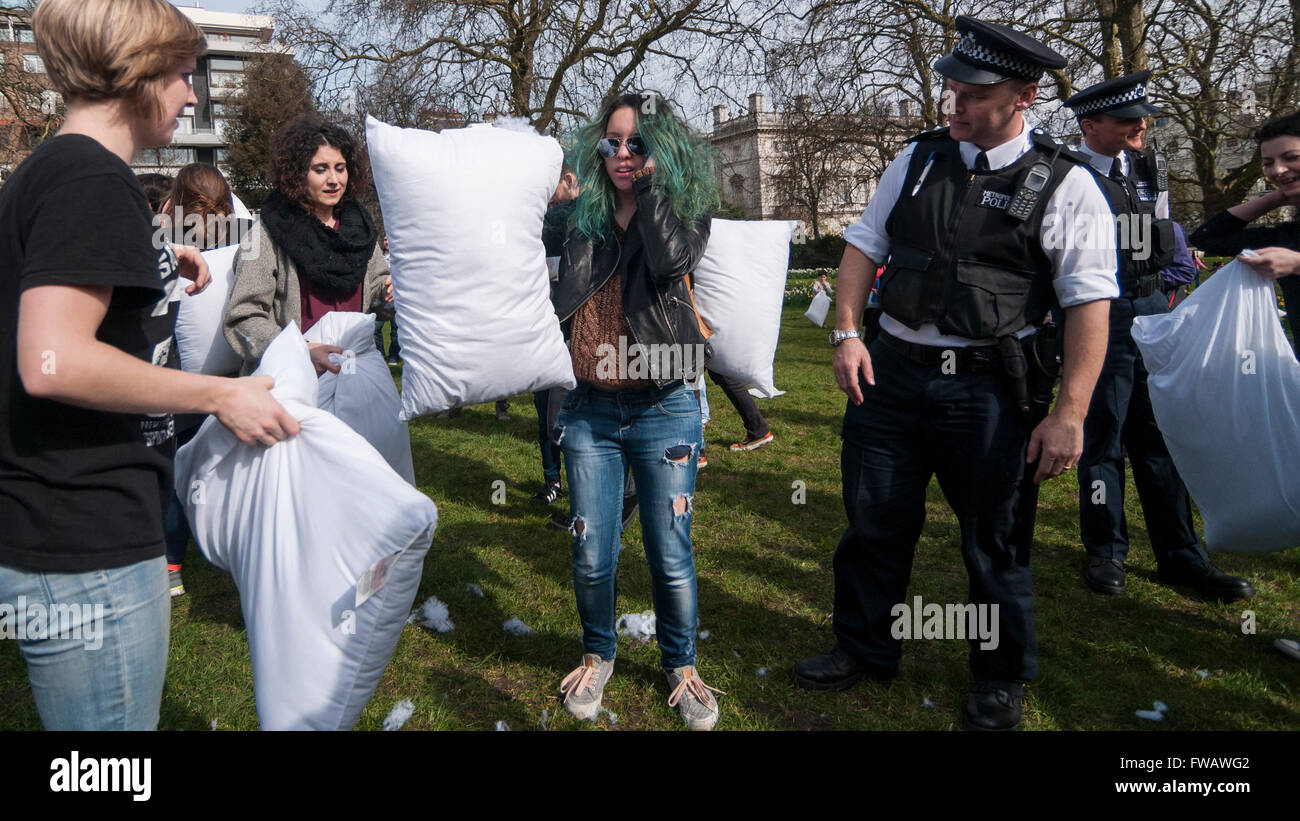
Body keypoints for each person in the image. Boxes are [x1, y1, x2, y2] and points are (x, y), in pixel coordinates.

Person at [795, 17, 1118, 731]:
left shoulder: (1065, 186)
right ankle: (864, 647)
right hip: (892, 378)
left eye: (974, 92)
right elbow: (861, 248)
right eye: (951, 87)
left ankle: (998, 677)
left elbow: (1088, 306)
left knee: (995, 541)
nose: (955, 102)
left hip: (992, 395)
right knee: (874, 522)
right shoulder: (916, 161)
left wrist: (1069, 412)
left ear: (1023, 96)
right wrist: (848, 333)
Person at [0, 0, 297, 731]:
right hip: (86, 543)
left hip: (64, 532)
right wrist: (219, 396)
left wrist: (163, 263)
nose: (191, 93)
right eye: (182, 74)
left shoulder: (64, 173)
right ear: (137, 74)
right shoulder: (89, 182)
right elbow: (52, 358)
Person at [549, 92, 723, 729]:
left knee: (669, 549)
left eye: (636, 144)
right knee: (591, 549)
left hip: (666, 403)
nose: (621, 155)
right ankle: (598, 654)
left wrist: (650, 191)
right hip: (590, 407)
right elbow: (517, 251)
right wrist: (554, 203)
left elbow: (672, 259)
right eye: (611, 144)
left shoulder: (684, 209)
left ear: (661, 152)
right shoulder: (580, 219)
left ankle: (681, 665)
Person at [1061, 72, 1254, 602]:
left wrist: (1172, 269)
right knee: (1102, 437)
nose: (1141, 124)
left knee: (1159, 434)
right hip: (1100, 313)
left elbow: (1162, 231)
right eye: (1127, 119)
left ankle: (1181, 555)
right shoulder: (1067, 174)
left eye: (1142, 115)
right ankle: (1105, 550)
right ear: (1090, 124)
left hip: (1152, 306)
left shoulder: (1147, 165)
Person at [225, 114, 392, 376]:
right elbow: (243, 318)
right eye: (320, 169)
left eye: (340, 167)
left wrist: (391, 294)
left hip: (353, 374)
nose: (334, 179)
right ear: (296, 174)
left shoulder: (360, 231)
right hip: (290, 380)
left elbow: (380, 299)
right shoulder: (265, 235)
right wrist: (299, 350)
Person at [157, 162, 242, 597]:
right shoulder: (243, 239)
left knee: (173, 478)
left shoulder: (165, 247)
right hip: (231, 378)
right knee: (220, 469)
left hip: (177, 386)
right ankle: (230, 547)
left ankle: (172, 566)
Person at [1191, 110, 1300, 353]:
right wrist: (1274, 197)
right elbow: (1207, 239)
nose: (1278, 170)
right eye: (1268, 163)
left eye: (1291, 157)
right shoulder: (1287, 236)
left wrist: (1296, 264)